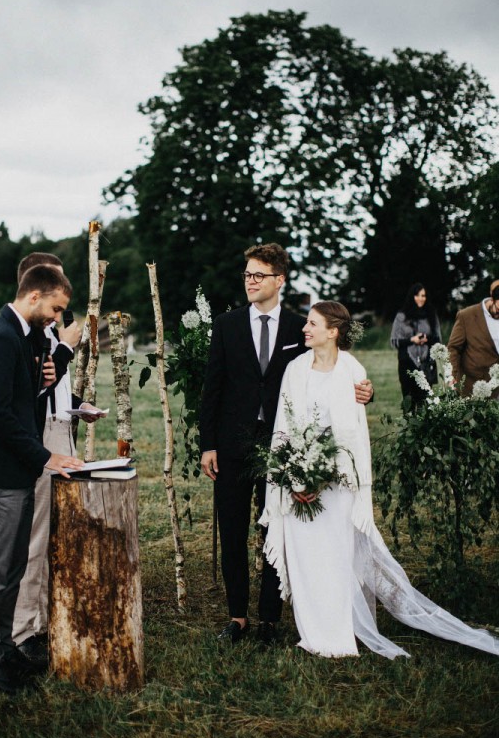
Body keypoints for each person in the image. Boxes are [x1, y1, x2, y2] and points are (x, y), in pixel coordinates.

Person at [260, 301, 499, 659]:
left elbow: (354, 434)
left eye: (312, 324)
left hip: (338, 482)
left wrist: (326, 475)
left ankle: (338, 634)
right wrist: (293, 477)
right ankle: (311, 632)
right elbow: (284, 423)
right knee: (306, 555)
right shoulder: (295, 369)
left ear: (333, 331)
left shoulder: (353, 369)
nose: (305, 329)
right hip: (298, 480)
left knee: (335, 555)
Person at [199, 243, 373, 646]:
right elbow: (213, 389)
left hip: (285, 449)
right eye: (247, 275)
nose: (250, 282)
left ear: (280, 280)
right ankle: (238, 616)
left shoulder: (301, 325)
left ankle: (270, 619)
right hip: (231, 445)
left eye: (259, 275)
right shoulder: (226, 325)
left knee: (278, 524)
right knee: (232, 529)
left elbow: (334, 367)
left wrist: (364, 390)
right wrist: (209, 445)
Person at [0, 265, 85, 694]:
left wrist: (49, 366)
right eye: (55, 309)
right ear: (34, 296)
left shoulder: (24, 336)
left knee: (13, 569)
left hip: (19, 472)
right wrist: (46, 456)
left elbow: (27, 391)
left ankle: (4, 650)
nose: (57, 319)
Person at [11, 252, 102, 667]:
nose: (59, 308)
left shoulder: (43, 331)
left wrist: (78, 405)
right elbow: (35, 389)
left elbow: (54, 389)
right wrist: (65, 350)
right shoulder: (29, 336)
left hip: (60, 428)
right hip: (41, 438)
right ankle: (25, 628)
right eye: (56, 299)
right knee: (36, 534)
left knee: (54, 535)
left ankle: (46, 617)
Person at [390, 283, 441, 410]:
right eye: (417, 295)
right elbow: (394, 341)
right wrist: (412, 339)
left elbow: (438, 339)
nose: (420, 298)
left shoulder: (431, 314)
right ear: (412, 297)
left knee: (425, 403)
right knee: (409, 402)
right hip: (407, 362)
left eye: (423, 295)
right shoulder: (401, 316)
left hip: (426, 363)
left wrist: (426, 339)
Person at [447, 278, 499, 397]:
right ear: (492, 299)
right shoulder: (466, 316)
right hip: (471, 387)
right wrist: (452, 376)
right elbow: (453, 348)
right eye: (498, 309)